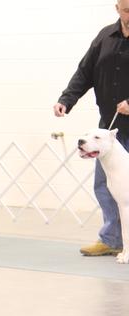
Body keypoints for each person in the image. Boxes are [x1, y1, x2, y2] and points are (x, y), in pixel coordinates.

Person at [53, 0, 129, 256]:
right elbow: (85, 72)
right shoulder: (105, 36)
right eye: (127, 8)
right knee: (105, 187)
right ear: (117, 8)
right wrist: (66, 99)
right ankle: (112, 240)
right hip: (109, 130)